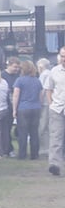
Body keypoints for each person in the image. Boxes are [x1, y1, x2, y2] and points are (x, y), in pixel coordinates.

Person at [12, 59, 42, 159]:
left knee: (23, 132)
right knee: (34, 132)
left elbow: (16, 95)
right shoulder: (37, 80)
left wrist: (14, 109)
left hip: (23, 108)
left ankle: (22, 154)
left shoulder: (19, 80)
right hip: (36, 108)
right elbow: (40, 96)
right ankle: (34, 154)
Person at [43, 47, 65, 176]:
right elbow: (48, 89)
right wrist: (51, 104)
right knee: (56, 136)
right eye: (62, 56)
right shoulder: (54, 71)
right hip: (57, 108)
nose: (64, 59)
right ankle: (54, 164)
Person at [1, 56, 21, 156]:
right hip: (6, 105)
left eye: (18, 67)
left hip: (16, 105)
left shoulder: (17, 76)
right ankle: (8, 149)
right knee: (6, 128)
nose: (16, 69)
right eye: (15, 67)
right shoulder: (2, 75)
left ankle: (9, 148)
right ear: (9, 65)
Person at [38, 57, 52, 155]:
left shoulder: (44, 75)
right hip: (50, 103)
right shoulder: (50, 73)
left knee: (42, 126)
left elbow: (42, 90)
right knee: (47, 126)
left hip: (44, 103)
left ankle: (44, 148)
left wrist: (39, 102)